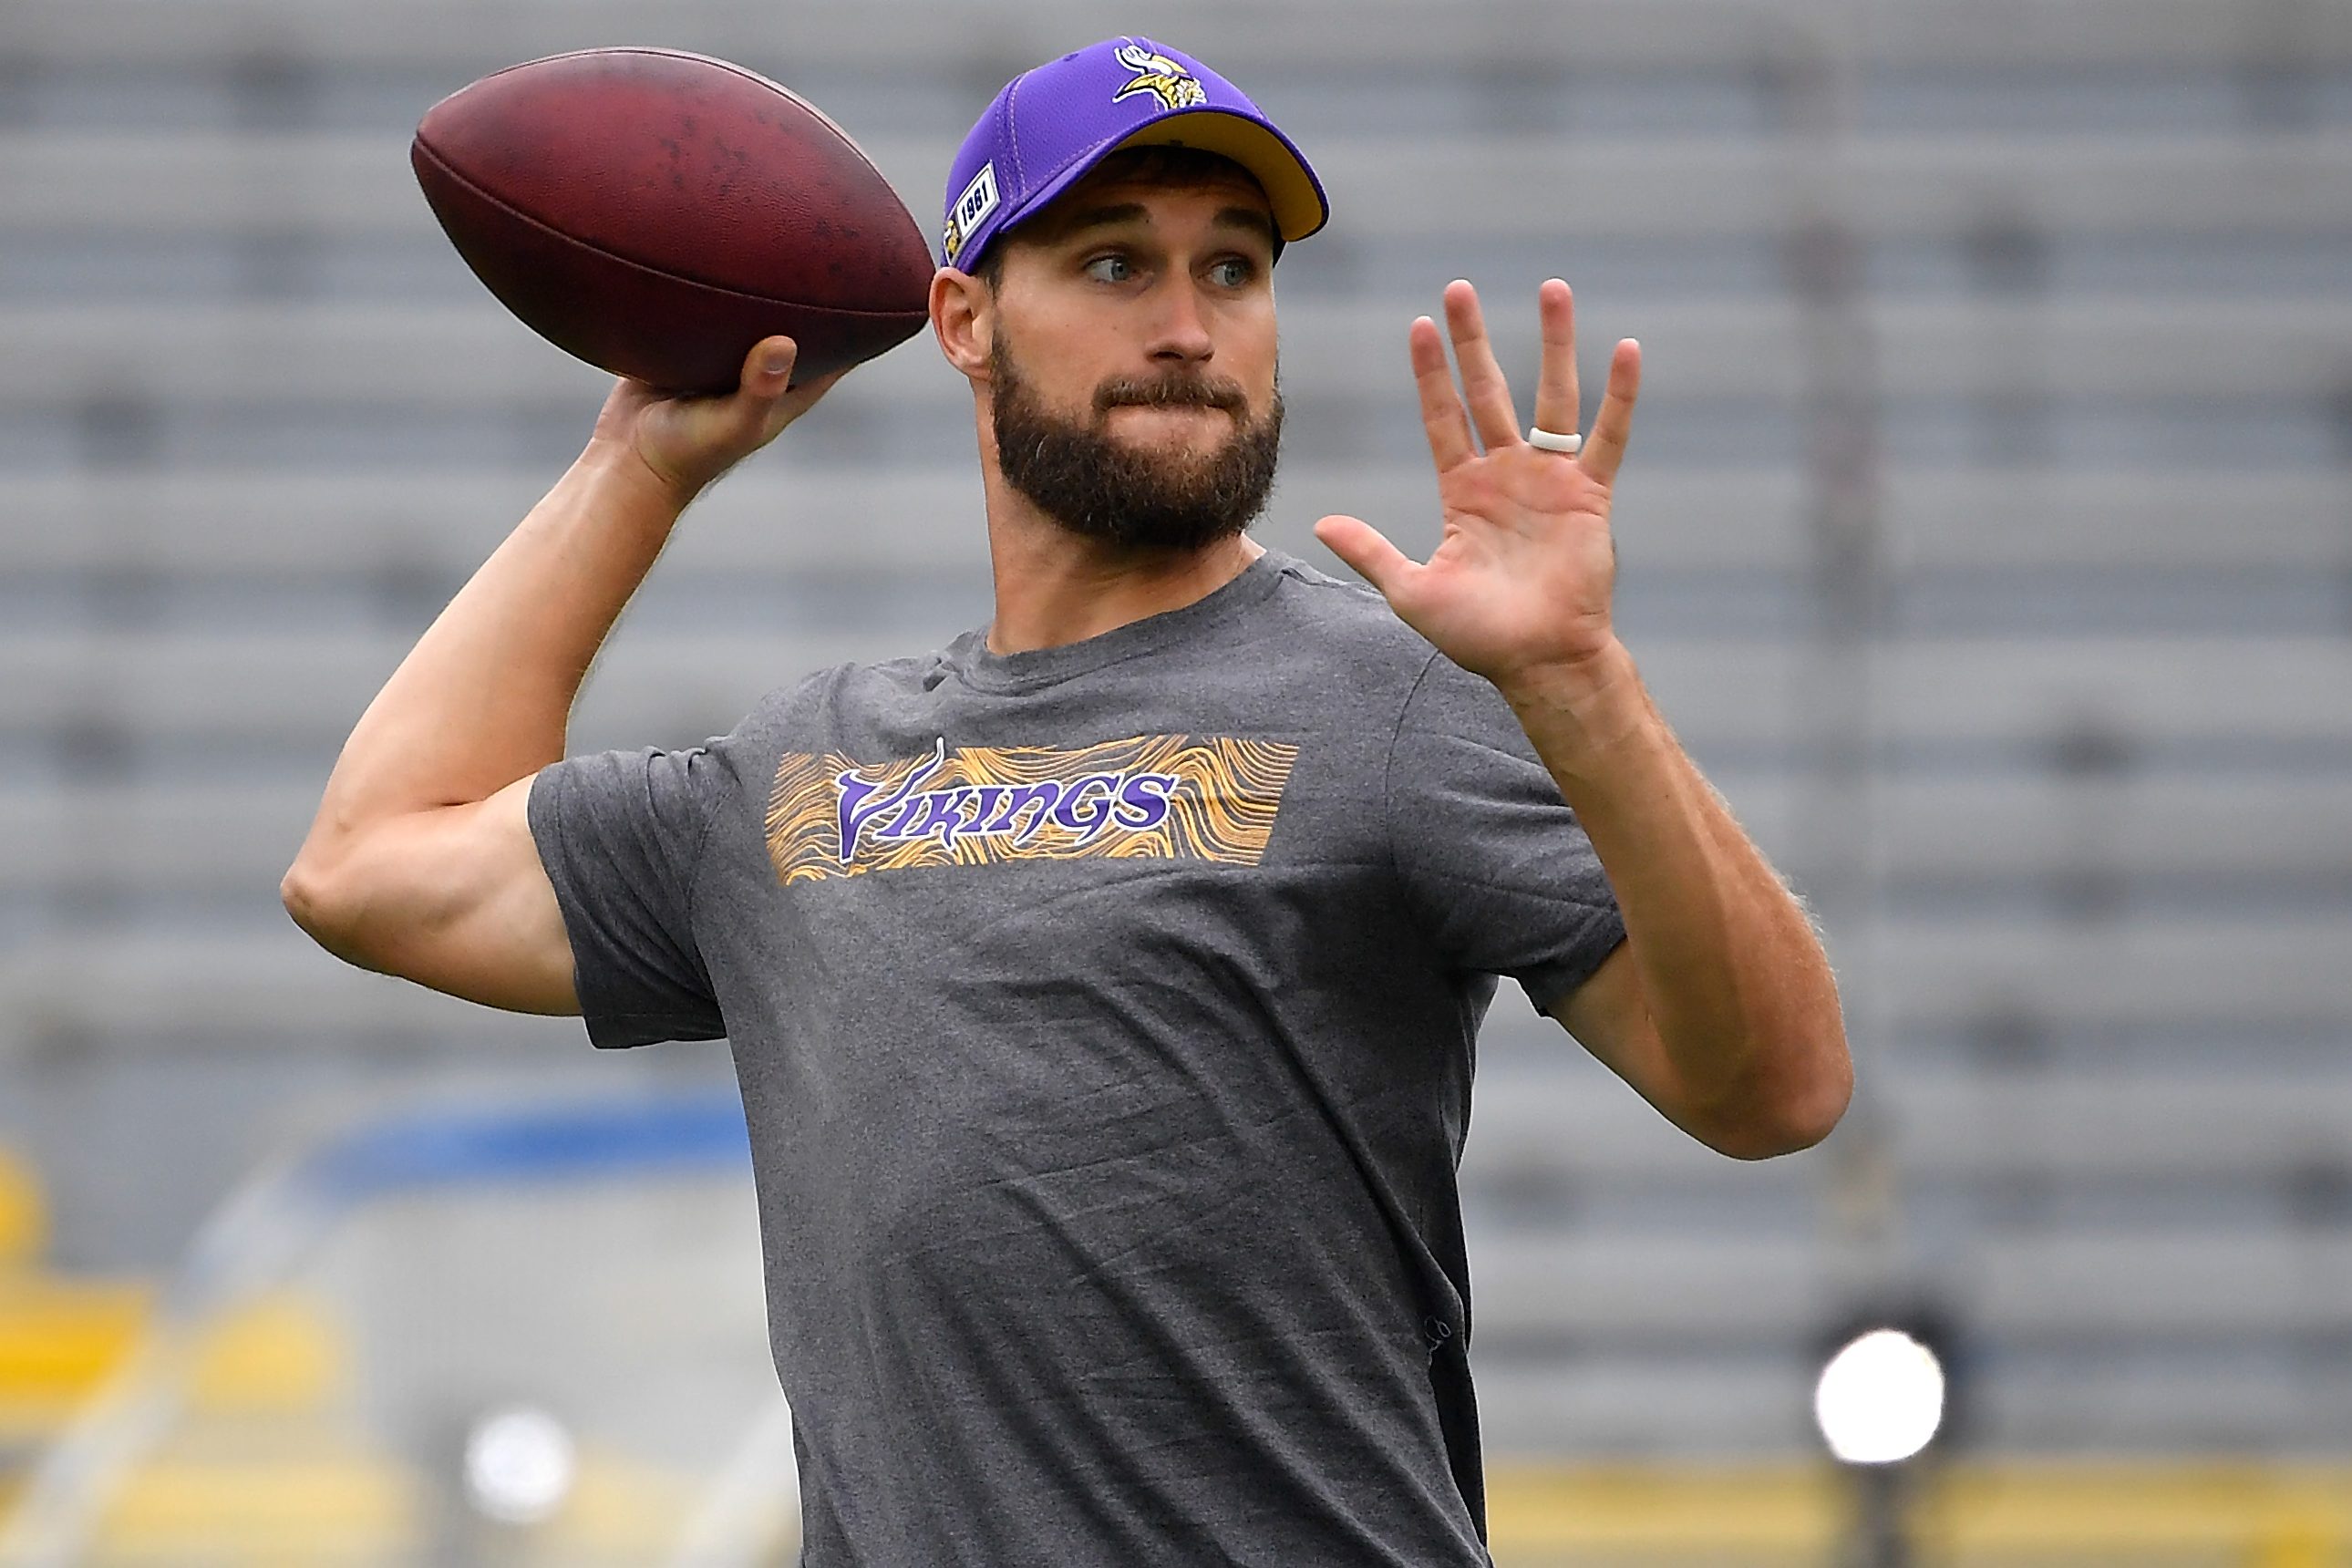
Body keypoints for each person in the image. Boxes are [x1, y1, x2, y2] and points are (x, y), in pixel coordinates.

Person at [284, 35, 1850, 1567]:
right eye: (1115, 266)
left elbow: (1773, 1092)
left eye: (1233, 270)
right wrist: (638, 467)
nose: (1188, 326)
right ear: (964, 320)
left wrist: (1578, 682)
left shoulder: (1398, 702)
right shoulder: (804, 772)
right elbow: (368, 867)